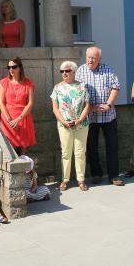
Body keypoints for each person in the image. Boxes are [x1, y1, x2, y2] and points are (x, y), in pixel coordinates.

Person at [75, 47, 124, 186]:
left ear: (99, 59)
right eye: (88, 57)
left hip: (108, 115)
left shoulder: (108, 70)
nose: (90, 60)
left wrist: (108, 104)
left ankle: (114, 176)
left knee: (112, 146)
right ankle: (96, 173)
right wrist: (89, 107)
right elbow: (77, 92)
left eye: (93, 58)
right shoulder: (80, 71)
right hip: (90, 116)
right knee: (91, 146)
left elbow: (116, 87)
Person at [50, 60, 91, 192]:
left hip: (81, 124)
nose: (64, 73)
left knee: (80, 152)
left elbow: (87, 105)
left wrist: (79, 119)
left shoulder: (82, 86)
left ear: (74, 72)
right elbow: (55, 108)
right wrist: (63, 121)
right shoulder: (57, 88)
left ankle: (81, 179)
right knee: (66, 153)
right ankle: (65, 179)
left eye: (67, 71)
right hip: (64, 125)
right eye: (62, 71)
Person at [0, 57, 36, 155]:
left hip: (23, 117)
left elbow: (30, 103)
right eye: (9, 67)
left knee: (22, 148)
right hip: (8, 118)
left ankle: (24, 169)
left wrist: (19, 119)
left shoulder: (28, 83)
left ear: (20, 68)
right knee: (10, 148)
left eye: (14, 67)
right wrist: (8, 119)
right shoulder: (4, 82)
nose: (11, 69)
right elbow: (1, 102)